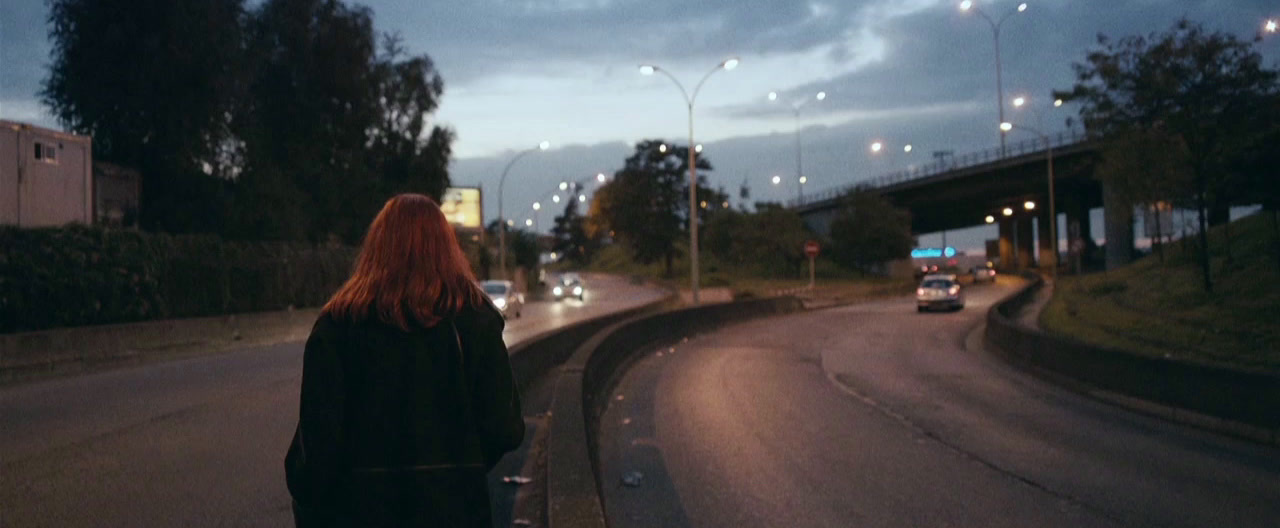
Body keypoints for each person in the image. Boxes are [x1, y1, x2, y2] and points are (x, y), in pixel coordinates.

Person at [285, 194, 525, 527]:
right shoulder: (475, 321)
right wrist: (459, 469)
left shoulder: (338, 325)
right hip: (455, 511)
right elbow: (505, 429)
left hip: (360, 512)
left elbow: (317, 447)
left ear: (376, 247)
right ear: (447, 248)